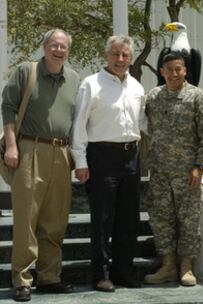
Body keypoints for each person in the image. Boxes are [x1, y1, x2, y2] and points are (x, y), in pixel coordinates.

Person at [1, 29, 79, 302]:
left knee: (55, 220)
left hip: (61, 152)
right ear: (44, 47)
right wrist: (11, 145)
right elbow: (8, 107)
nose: (58, 50)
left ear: (69, 51)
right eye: (54, 45)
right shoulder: (26, 71)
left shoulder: (75, 79)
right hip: (28, 150)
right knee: (27, 219)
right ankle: (22, 279)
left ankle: (49, 277)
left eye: (63, 46)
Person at [71, 35, 145, 292]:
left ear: (131, 58)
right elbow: (79, 124)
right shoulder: (90, 84)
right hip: (101, 156)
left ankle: (123, 271)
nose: (120, 59)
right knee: (102, 219)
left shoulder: (136, 86)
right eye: (115, 54)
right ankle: (101, 274)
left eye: (125, 55)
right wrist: (80, 161)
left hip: (131, 156)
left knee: (128, 218)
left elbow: (142, 123)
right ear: (106, 56)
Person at [143, 51, 203, 287]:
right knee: (161, 219)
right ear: (162, 72)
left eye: (179, 69)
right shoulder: (153, 97)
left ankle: (186, 267)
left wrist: (198, 167)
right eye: (169, 70)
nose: (174, 74)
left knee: (188, 220)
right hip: (159, 173)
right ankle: (167, 266)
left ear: (185, 70)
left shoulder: (197, 97)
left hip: (188, 174)